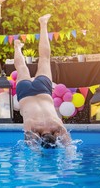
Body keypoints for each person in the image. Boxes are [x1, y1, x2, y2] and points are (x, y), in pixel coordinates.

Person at [14, 14, 72, 148]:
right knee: (21, 67)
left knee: (45, 58)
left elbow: (69, 146)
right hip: (25, 94)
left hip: (43, 90)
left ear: (56, 136)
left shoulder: (57, 125)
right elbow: (32, 147)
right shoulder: (32, 127)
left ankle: (43, 23)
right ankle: (17, 47)